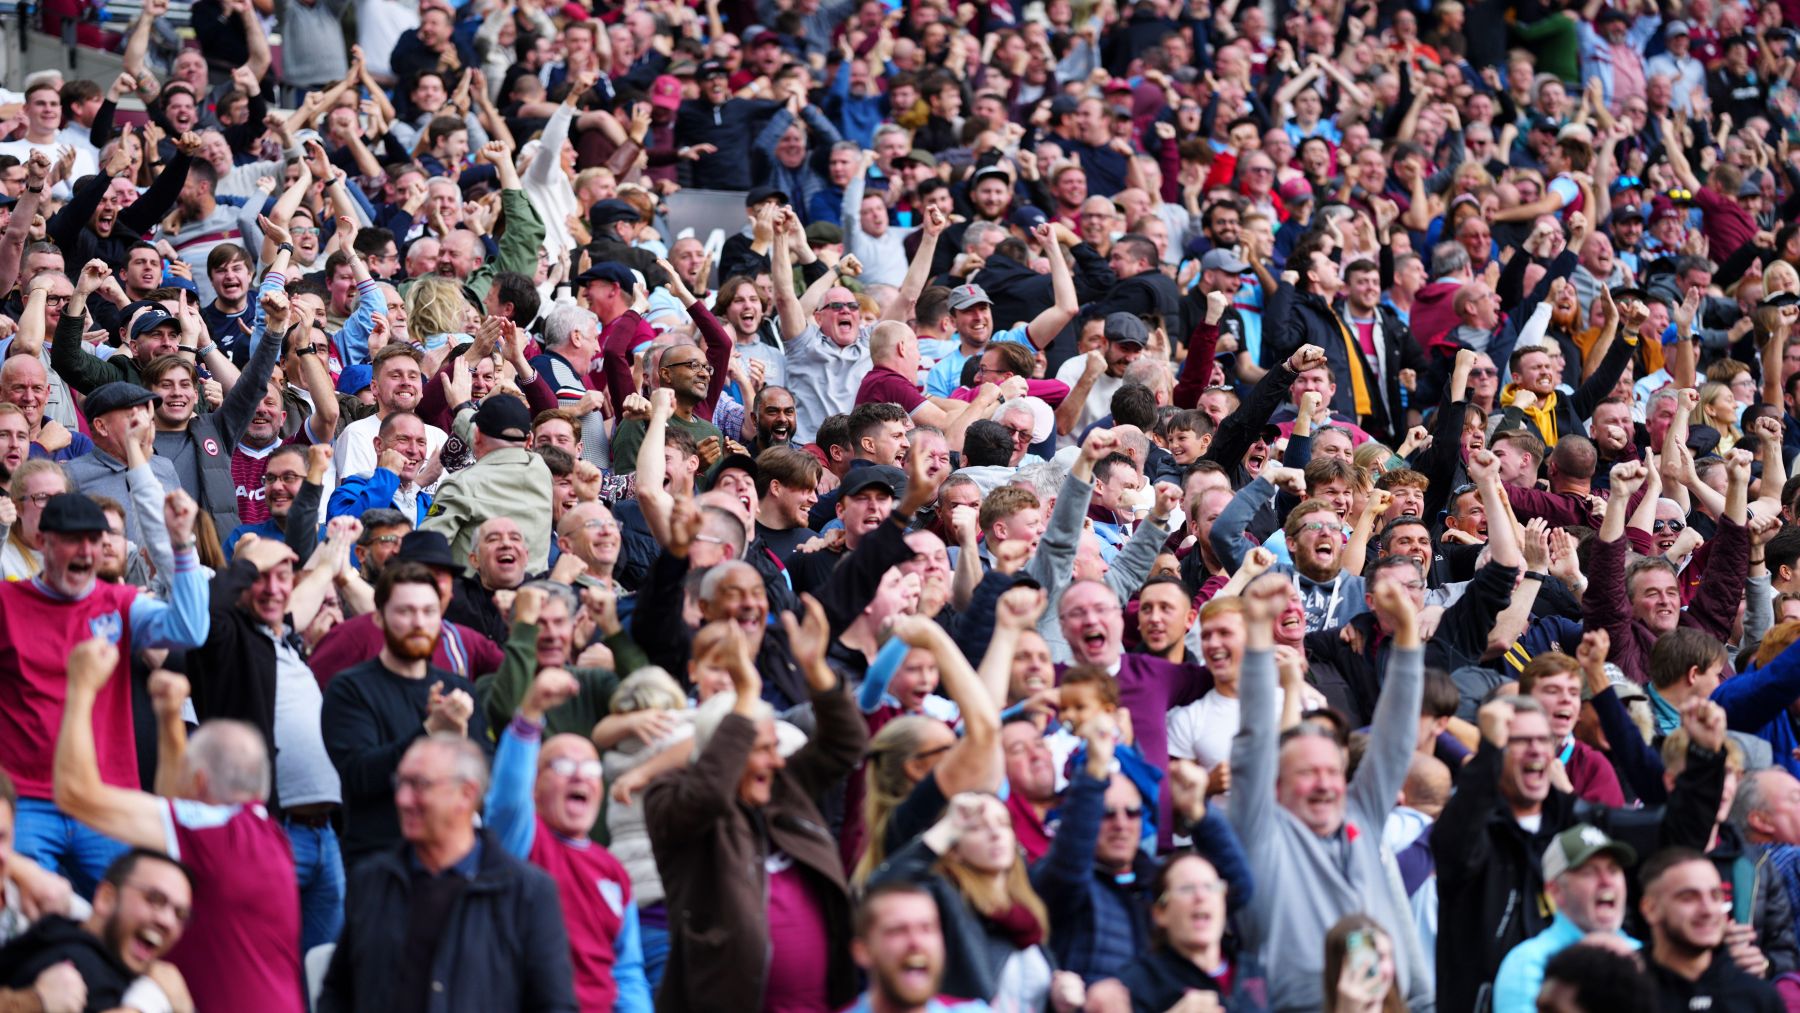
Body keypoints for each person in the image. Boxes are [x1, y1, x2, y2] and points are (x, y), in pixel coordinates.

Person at [52, 636, 303, 1013]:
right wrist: (170, 716)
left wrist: (81, 687)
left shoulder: (212, 834)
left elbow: (75, 793)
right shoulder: (265, 834)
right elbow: (178, 804)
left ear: (200, 781)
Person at [1226, 567, 1431, 1012]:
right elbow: (1253, 744)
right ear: (1278, 786)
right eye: (1306, 773)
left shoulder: (1361, 814)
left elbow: (1395, 740)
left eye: (1331, 772)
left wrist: (1410, 634)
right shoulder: (1263, 832)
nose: (1323, 783)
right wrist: (1259, 634)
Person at [644, 598, 865, 1010]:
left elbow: (846, 744)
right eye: (763, 748)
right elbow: (707, 793)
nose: (778, 760)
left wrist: (817, 672)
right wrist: (746, 693)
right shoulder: (670, 805)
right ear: (725, 748)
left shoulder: (784, 789)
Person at [0, 490, 209, 893]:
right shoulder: (7, 603)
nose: (87, 550)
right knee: (25, 921)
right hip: (26, 801)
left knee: (122, 920)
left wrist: (182, 543)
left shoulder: (118, 602)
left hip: (106, 797)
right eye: (73, 539)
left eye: (95, 540)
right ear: (43, 542)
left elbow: (190, 629)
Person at [319, 734, 577, 1012]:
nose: (404, 799)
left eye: (420, 785)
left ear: (466, 794)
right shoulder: (373, 881)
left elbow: (554, 1005)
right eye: (401, 783)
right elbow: (338, 992)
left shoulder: (526, 893)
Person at [484, 667, 652, 1012]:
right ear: (534, 785)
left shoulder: (612, 870)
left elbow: (626, 971)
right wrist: (530, 714)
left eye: (591, 769)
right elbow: (506, 800)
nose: (579, 774)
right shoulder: (519, 843)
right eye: (561, 766)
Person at [321, 561, 491, 867]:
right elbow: (359, 776)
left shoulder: (457, 688)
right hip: (380, 867)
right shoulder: (350, 688)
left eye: (428, 612)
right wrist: (430, 731)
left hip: (454, 862)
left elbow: (485, 779)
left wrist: (459, 739)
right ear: (378, 618)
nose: (418, 622)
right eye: (405, 611)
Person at [0, 848, 193, 1012]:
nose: (168, 921)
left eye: (180, 914)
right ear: (106, 898)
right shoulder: (84, 975)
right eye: (155, 899)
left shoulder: (56, 928)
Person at [1490, 824, 1640, 1013]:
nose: (1606, 881)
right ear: (1555, 891)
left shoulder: (1644, 955)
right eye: (1589, 872)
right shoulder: (1528, 964)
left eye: (1613, 870)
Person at [1639, 848, 1784, 1012]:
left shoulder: (1758, 998)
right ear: (1650, 909)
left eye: (1715, 896)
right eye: (1688, 898)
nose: (1707, 910)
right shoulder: (1620, 992)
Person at [421, 394, 555, 573]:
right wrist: (462, 409)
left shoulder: (461, 485)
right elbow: (498, 444)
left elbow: (426, 549)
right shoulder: (541, 469)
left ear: (477, 436)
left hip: (477, 597)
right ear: (530, 440)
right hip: (534, 596)